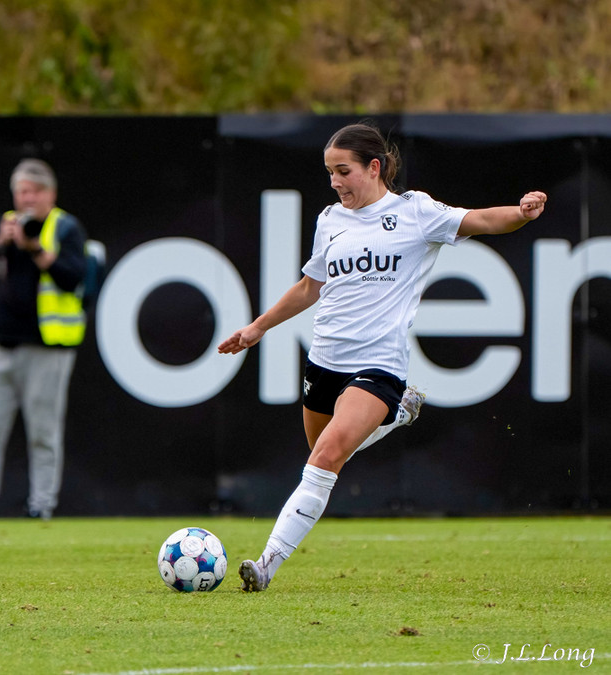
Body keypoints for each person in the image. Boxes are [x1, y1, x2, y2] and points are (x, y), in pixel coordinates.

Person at [218, 122, 547, 592]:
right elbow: (310, 287)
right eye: (329, 172)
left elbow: (483, 220)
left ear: (374, 167)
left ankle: (267, 563)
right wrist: (258, 327)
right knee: (322, 453)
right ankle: (397, 416)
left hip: (378, 365)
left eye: (343, 171)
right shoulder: (330, 220)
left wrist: (521, 213)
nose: (335, 182)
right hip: (324, 361)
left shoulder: (415, 212)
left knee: (326, 457)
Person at [0, 159, 87, 520]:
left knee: (43, 431)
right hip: (1, 345)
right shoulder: (5, 223)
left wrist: (34, 249)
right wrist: (0, 242)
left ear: (51, 194)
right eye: (22, 192)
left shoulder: (65, 227)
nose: (28, 199)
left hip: (47, 348)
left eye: (35, 191)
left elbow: (73, 278)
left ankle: (41, 504)